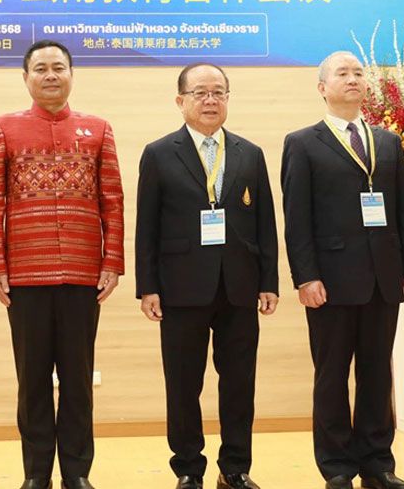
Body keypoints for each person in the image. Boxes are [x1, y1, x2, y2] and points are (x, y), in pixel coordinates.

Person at [0, 40, 124, 489]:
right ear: (26, 78)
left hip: (83, 274)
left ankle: (77, 473)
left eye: (58, 67)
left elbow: (113, 203)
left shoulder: (98, 129)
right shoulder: (3, 128)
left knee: (78, 381)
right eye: (39, 68)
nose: (50, 75)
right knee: (33, 381)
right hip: (24, 275)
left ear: (71, 74)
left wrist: (112, 261)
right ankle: (36, 475)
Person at [281, 51, 404, 489]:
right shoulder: (303, 142)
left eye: (359, 72)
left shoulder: (386, 141)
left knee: (378, 373)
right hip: (330, 281)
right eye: (342, 73)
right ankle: (338, 465)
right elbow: (296, 217)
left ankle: (378, 462)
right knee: (332, 375)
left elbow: (401, 210)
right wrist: (305, 276)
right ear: (322, 87)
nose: (353, 78)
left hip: (384, 276)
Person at [135, 63, 280, 489]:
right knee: (183, 385)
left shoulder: (249, 153)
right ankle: (188, 470)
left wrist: (268, 281)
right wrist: (149, 287)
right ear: (180, 101)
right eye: (200, 92)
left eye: (218, 92)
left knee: (239, 384)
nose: (210, 100)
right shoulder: (159, 153)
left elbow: (266, 223)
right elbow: (147, 227)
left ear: (228, 99)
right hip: (181, 288)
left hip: (239, 286)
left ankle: (235, 468)